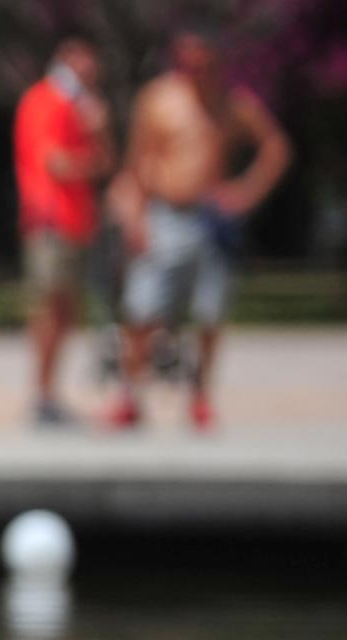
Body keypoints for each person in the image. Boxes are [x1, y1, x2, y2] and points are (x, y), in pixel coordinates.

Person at [108, 29, 291, 432]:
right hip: (163, 213)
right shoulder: (159, 98)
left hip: (209, 217)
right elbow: (137, 162)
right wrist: (136, 218)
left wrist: (246, 192)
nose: (195, 70)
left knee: (210, 313)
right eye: (188, 62)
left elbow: (275, 146)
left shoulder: (233, 104)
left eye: (203, 63)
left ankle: (201, 395)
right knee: (141, 311)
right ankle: (130, 396)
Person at [13, 38, 113, 427]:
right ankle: (41, 397)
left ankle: (48, 394)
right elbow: (55, 163)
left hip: (74, 222)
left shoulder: (80, 107)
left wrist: (99, 132)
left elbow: (105, 160)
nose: (88, 77)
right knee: (49, 310)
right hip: (50, 220)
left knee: (66, 312)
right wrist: (92, 156)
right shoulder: (46, 100)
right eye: (83, 69)